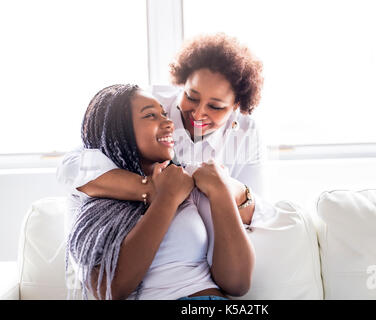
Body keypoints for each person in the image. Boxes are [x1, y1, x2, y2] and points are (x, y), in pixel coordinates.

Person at [57, 33, 270, 233]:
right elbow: (72, 167)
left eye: (215, 107)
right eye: (191, 97)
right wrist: (150, 189)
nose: (198, 113)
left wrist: (224, 188)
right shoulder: (148, 103)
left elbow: (259, 214)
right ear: (182, 82)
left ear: (236, 105)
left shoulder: (246, 133)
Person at [67, 84, 255, 300]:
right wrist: (166, 198)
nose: (168, 123)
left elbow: (237, 283)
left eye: (164, 114)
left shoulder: (190, 184)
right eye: (150, 116)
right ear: (118, 131)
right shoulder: (92, 199)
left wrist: (221, 191)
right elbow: (109, 290)